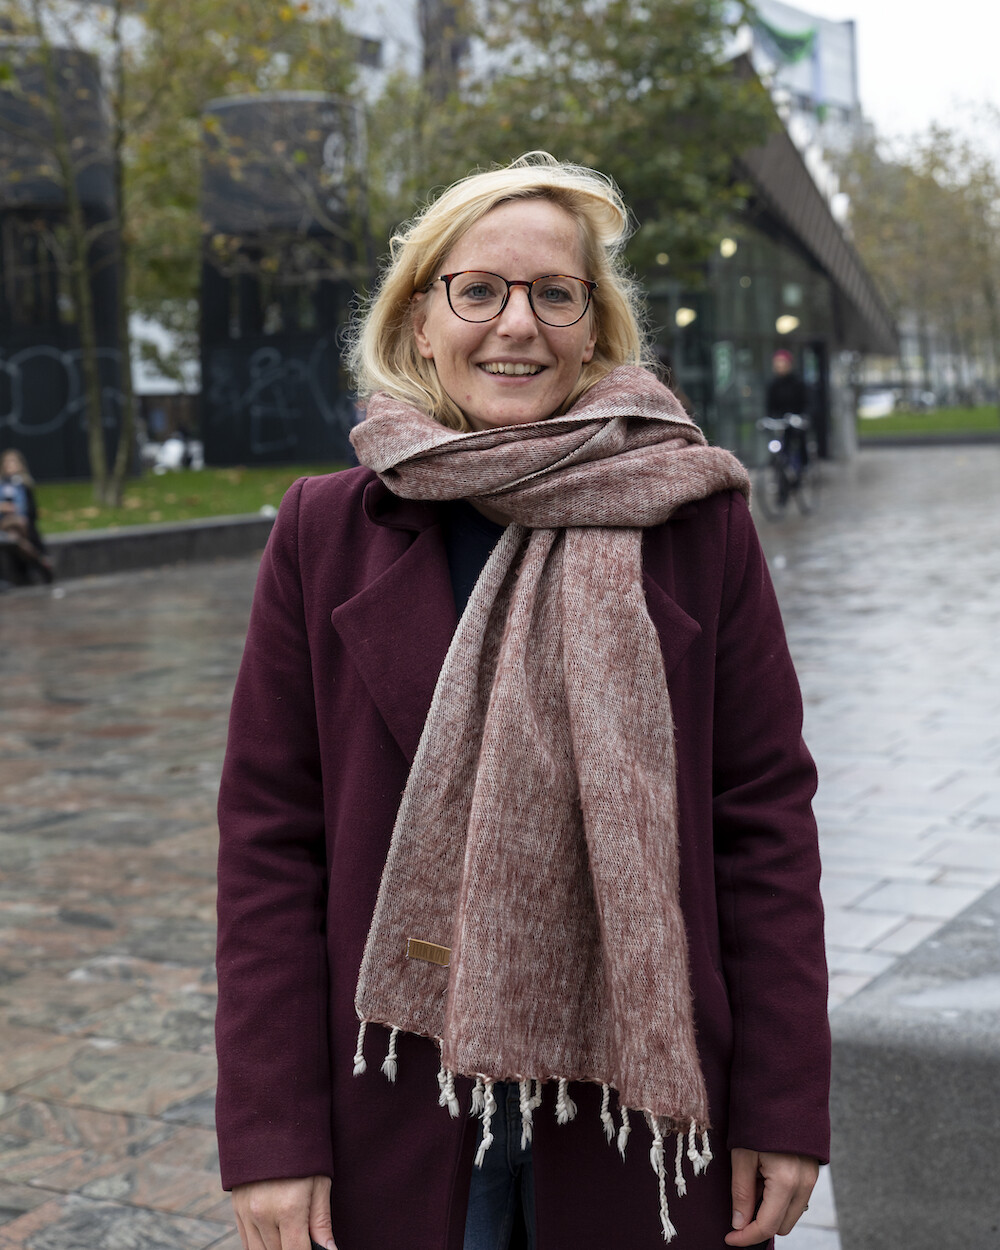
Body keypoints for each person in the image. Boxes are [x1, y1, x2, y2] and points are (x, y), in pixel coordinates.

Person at [215, 153, 829, 1250]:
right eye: (479, 290)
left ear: (594, 330)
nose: (517, 324)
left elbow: (763, 822)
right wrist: (272, 1131)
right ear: (419, 321)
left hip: (643, 1120)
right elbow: (271, 845)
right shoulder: (322, 531)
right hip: (395, 1104)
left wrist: (783, 1101)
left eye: (555, 293)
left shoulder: (696, 523)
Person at [0, 449, 53, 586]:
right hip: (5, 525)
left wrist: (19, 513)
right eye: (8, 463)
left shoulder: (25, 485)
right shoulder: (2, 485)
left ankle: (34, 565)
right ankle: (41, 562)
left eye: (13, 462)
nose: (10, 466)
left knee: (17, 535)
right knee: (14, 534)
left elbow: (32, 511)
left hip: (22, 526)